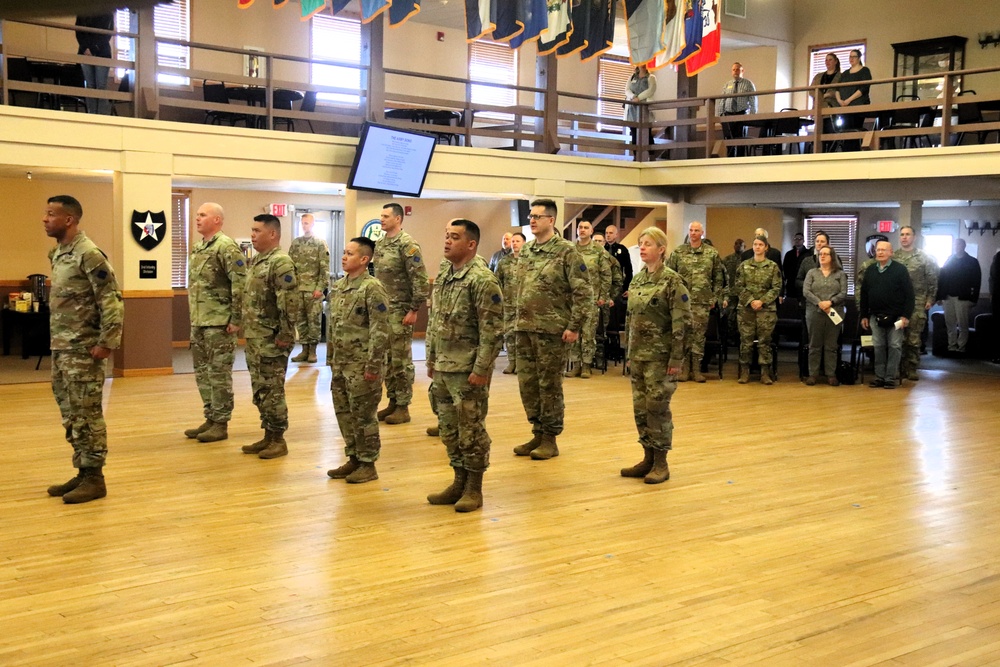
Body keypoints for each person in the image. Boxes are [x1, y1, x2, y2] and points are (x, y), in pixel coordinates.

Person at [43, 195, 123, 504]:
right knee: (71, 414)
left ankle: (95, 478)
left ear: (69, 220)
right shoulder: (61, 253)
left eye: (51, 214)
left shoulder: (88, 254)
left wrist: (107, 342)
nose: (45, 219)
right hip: (63, 350)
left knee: (88, 414)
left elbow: (111, 299)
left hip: (84, 351)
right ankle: (82, 470)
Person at [426, 219, 504, 512]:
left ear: (471, 244)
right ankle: (458, 480)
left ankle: (474, 488)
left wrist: (481, 369)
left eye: (454, 237)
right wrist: (432, 358)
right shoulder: (447, 273)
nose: (447, 241)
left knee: (471, 430)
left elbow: (493, 331)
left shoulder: (483, 280)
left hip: (468, 370)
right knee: (449, 429)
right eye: (446, 235)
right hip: (445, 367)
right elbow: (435, 321)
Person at [512, 198, 592, 461]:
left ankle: (550, 438)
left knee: (549, 386)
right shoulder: (526, 250)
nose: (532, 220)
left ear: (551, 221)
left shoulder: (566, 252)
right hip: (525, 328)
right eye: (530, 216)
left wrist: (574, 326)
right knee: (528, 385)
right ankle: (537, 431)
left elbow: (583, 292)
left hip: (552, 330)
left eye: (537, 216)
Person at [621, 227, 690, 485]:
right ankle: (647, 457)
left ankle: (661, 462)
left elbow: (682, 323)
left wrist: (675, 360)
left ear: (661, 249)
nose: (642, 247)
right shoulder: (638, 280)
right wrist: (629, 352)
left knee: (657, 409)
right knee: (641, 409)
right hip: (638, 356)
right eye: (640, 243)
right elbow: (631, 319)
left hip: (661, 358)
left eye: (648, 244)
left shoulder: (673, 281)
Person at [326, 237, 390, 484]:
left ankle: (368, 463)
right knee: (344, 412)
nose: (344, 257)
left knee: (363, 415)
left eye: (350, 254)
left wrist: (374, 365)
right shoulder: (340, 286)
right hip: (341, 364)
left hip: (362, 365)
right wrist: (331, 359)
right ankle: (353, 457)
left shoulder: (372, 288)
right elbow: (335, 327)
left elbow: (380, 329)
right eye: (343, 252)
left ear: (364, 259)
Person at [184, 202, 247, 444]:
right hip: (200, 321)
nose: (197, 218)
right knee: (203, 373)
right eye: (197, 215)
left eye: (202, 215)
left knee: (219, 374)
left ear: (217, 220)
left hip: (220, 323)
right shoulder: (199, 247)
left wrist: (236, 318)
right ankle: (210, 417)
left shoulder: (226, 247)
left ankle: (221, 423)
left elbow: (240, 284)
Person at [240, 214, 299, 458]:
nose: (252, 235)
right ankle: (267, 434)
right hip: (256, 338)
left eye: (257, 231)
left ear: (272, 234)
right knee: (261, 389)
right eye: (252, 230)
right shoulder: (258, 261)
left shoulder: (281, 262)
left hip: (272, 339)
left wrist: (285, 335)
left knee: (273, 390)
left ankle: (278, 439)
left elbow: (289, 303)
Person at [373, 202, 430, 425]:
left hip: (401, 311)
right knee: (387, 360)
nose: (382, 219)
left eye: (386, 216)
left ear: (398, 219)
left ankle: (403, 406)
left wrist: (414, 309)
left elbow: (420, 279)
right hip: (383, 311)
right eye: (381, 216)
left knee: (401, 361)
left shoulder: (407, 245)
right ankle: (393, 402)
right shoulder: (380, 244)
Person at [666, 221, 725, 382]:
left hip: (702, 302)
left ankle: (697, 369)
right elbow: (670, 275)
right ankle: (684, 369)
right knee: (683, 335)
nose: (693, 233)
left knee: (698, 336)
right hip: (682, 302)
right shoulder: (678, 252)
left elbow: (718, 278)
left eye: (696, 230)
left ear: (702, 233)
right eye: (691, 230)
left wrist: (714, 298)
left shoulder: (711, 253)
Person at [860, 240, 914, 389]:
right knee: (878, 346)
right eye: (878, 250)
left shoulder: (900, 270)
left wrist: (906, 316)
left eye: (884, 250)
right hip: (875, 316)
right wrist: (863, 315)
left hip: (896, 317)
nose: (880, 252)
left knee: (894, 346)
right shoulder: (870, 270)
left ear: (891, 253)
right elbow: (864, 294)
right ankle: (879, 377)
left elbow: (910, 295)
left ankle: (890, 378)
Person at [566, 220, 612, 378]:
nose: (582, 230)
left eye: (586, 228)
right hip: (573, 300)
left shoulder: (598, 250)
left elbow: (606, 275)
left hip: (592, 300)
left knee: (588, 333)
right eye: (580, 227)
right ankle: (575, 364)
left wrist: (603, 296)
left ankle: (586, 365)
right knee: (574, 332)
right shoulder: (570, 249)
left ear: (591, 231)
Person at [734, 235, 782, 384]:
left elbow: (776, 288)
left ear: (766, 247)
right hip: (746, 310)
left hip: (766, 310)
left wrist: (762, 301)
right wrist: (750, 301)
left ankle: (765, 373)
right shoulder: (744, 265)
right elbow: (738, 286)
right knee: (746, 341)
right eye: (755, 244)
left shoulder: (773, 267)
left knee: (764, 342)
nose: (757, 247)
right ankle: (744, 372)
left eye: (761, 244)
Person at [893, 226, 938, 379]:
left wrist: (930, 298)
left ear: (914, 237)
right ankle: (896, 368)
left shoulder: (924, 258)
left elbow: (932, 279)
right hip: (897, 303)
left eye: (908, 234)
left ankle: (911, 368)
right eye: (902, 235)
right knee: (897, 338)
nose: (904, 237)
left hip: (918, 302)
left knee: (913, 338)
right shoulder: (893, 257)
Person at [288, 213, 330, 364]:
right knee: (301, 321)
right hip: (298, 290)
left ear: (312, 225)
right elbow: (290, 266)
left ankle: (312, 351)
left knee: (314, 322)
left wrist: (320, 288)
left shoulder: (319, 243)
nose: (304, 225)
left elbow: (324, 269)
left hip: (313, 290)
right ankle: (304, 350)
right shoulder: (296, 243)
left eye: (307, 223)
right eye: (302, 223)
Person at [802, 246, 848, 385]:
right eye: (820, 254)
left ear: (832, 257)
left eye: (826, 254)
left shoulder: (840, 274)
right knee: (814, 344)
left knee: (831, 345)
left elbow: (843, 292)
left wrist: (830, 302)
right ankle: (813, 374)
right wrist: (819, 302)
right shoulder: (812, 272)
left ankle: (831, 374)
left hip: (834, 312)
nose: (822, 256)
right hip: (814, 313)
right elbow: (806, 291)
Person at [936, 237, 981, 355]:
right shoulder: (949, 259)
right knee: (950, 323)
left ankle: (961, 347)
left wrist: (973, 299)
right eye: (955, 245)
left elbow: (977, 281)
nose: (957, 247)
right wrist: (940, 296)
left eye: (959, 245)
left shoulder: (972, 261)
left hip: (963, 298)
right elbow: (942, 279)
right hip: (948, 297)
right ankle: (951, 346)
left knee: (963, 324)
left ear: (964, 246)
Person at [496, 232, 525, 374]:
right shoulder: (504, 262)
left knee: (522, 335)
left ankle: (521, 363)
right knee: (509, 334)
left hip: (524, 305)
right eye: (512, 241)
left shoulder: (529, 261)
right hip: (508, 305)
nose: (514, 243)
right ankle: (511, 362)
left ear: (524, 243)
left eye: (517, 241)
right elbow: (497, 283)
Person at [75, 13, 114, 115]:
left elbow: (107, 34)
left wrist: (92, 49)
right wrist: (85, 48)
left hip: (102, 52)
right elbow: (78, 31)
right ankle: (92, 114)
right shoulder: (82, 12)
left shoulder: (107, 12)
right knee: (90, 85)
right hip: (85, 51)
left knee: (101, 85)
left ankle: (101, 115)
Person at [716, 62, 757, 157]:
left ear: (742, 71)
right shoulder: (727, 84)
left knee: (740, 140)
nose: (735, 72)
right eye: (733, 70)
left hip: (741, 114)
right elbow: (722, 100)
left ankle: (740, 159)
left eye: (737, 69)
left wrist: (752, 115)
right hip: (728, 115)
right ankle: (730, 159)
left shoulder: (748, 84)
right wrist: (720, 115)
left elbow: (752, 100)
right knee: (728, 139)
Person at [835, 49, 873, 151]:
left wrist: (848, 100)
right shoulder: (845, 74)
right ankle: (846, 151)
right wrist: (840, 100)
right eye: (850, 57)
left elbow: (863, 88)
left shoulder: (864, 71)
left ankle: (854, 151)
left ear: (859, 58)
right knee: (846, 130)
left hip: (858, 106)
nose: (851, 59)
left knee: (855, 129)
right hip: (844, 107)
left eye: (854, 56)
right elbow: (837, 89)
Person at [625, 63, 656, 155]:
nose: (643, 65)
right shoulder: (632, 77)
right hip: (633, 110)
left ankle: (650, 156)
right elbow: (627, 90)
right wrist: (633, 97)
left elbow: (651, 90)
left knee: (647, 134)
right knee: (634, 134)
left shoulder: (651, 78)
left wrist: (639, 98)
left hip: (645, 109)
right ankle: (636, 156)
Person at [782, 232, 808, 300]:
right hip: (791, 284)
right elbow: (785, 269)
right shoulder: (789, 254)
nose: (798, 240)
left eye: (800, 239)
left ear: (803, 240)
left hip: (804, 283)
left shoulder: (808, 254)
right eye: (796, 239)